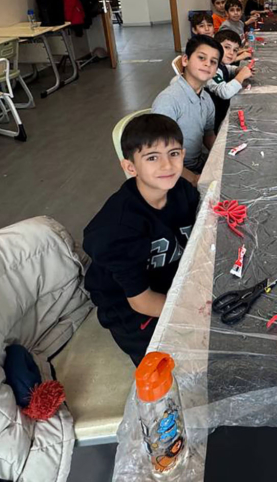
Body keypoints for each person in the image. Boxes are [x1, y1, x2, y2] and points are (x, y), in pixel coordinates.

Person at [83, 113, 201, 364]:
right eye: (152, 157)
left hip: (167, 277)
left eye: (174, 153)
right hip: (130, 306)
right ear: (130, 167)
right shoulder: (117, 230)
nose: (167, 166)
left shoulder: (181, 191)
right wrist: (195, 314)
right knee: (180, 364)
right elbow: (142, 301)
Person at [152, 35, 220, 185]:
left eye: (213, 62)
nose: (207, 64)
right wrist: (193, 179)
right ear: (185, 60)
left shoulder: (207, 99)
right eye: (201, 57)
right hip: (175, 173)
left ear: (216, 71)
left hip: (198, 163)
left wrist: (221, 155)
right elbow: (158, 154)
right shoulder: (168, 100)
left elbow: (208, 134)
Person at [207, 30, 253, 129]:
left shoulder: (219, 64)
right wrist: (241, 76)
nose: (231, 53)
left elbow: (226, 69)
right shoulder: (210, 68)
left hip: (223, 111)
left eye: (235, 50)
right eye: (227, 47)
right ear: (215, 47)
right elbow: (225, 92)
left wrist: (237, 70)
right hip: (216, 120)